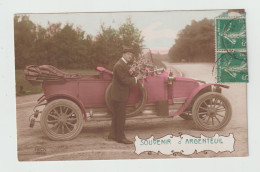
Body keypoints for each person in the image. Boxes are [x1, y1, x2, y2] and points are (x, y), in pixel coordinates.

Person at [108, 46, 143, 144]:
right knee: (120, 117)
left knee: (116, 116)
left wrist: (134, 73)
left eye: (131, 55)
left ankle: (112, 134)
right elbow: (124, 80)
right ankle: (120, 138)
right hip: (119, 95)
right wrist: (137, 78)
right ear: (123, 54)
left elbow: (126, 76)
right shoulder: (120, 65)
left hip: (117, 94)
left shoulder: (124, 64)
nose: (130, 56)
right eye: (128, 54)